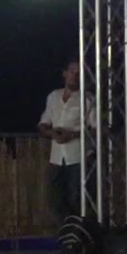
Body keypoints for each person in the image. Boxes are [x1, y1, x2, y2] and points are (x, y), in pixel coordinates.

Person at [37, 60, 92, 223]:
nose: (74, 77)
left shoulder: (87, 99)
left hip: (77, 156)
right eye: (72, 72)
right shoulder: (53, 96)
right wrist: (52, 133)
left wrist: (73, 135)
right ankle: (64, 229)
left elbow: (95, 128)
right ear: (65, 73)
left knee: (75, 198)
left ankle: (77, 229)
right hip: (56, 156)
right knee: (55, 197)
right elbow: (43, 123)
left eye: (78, 74)